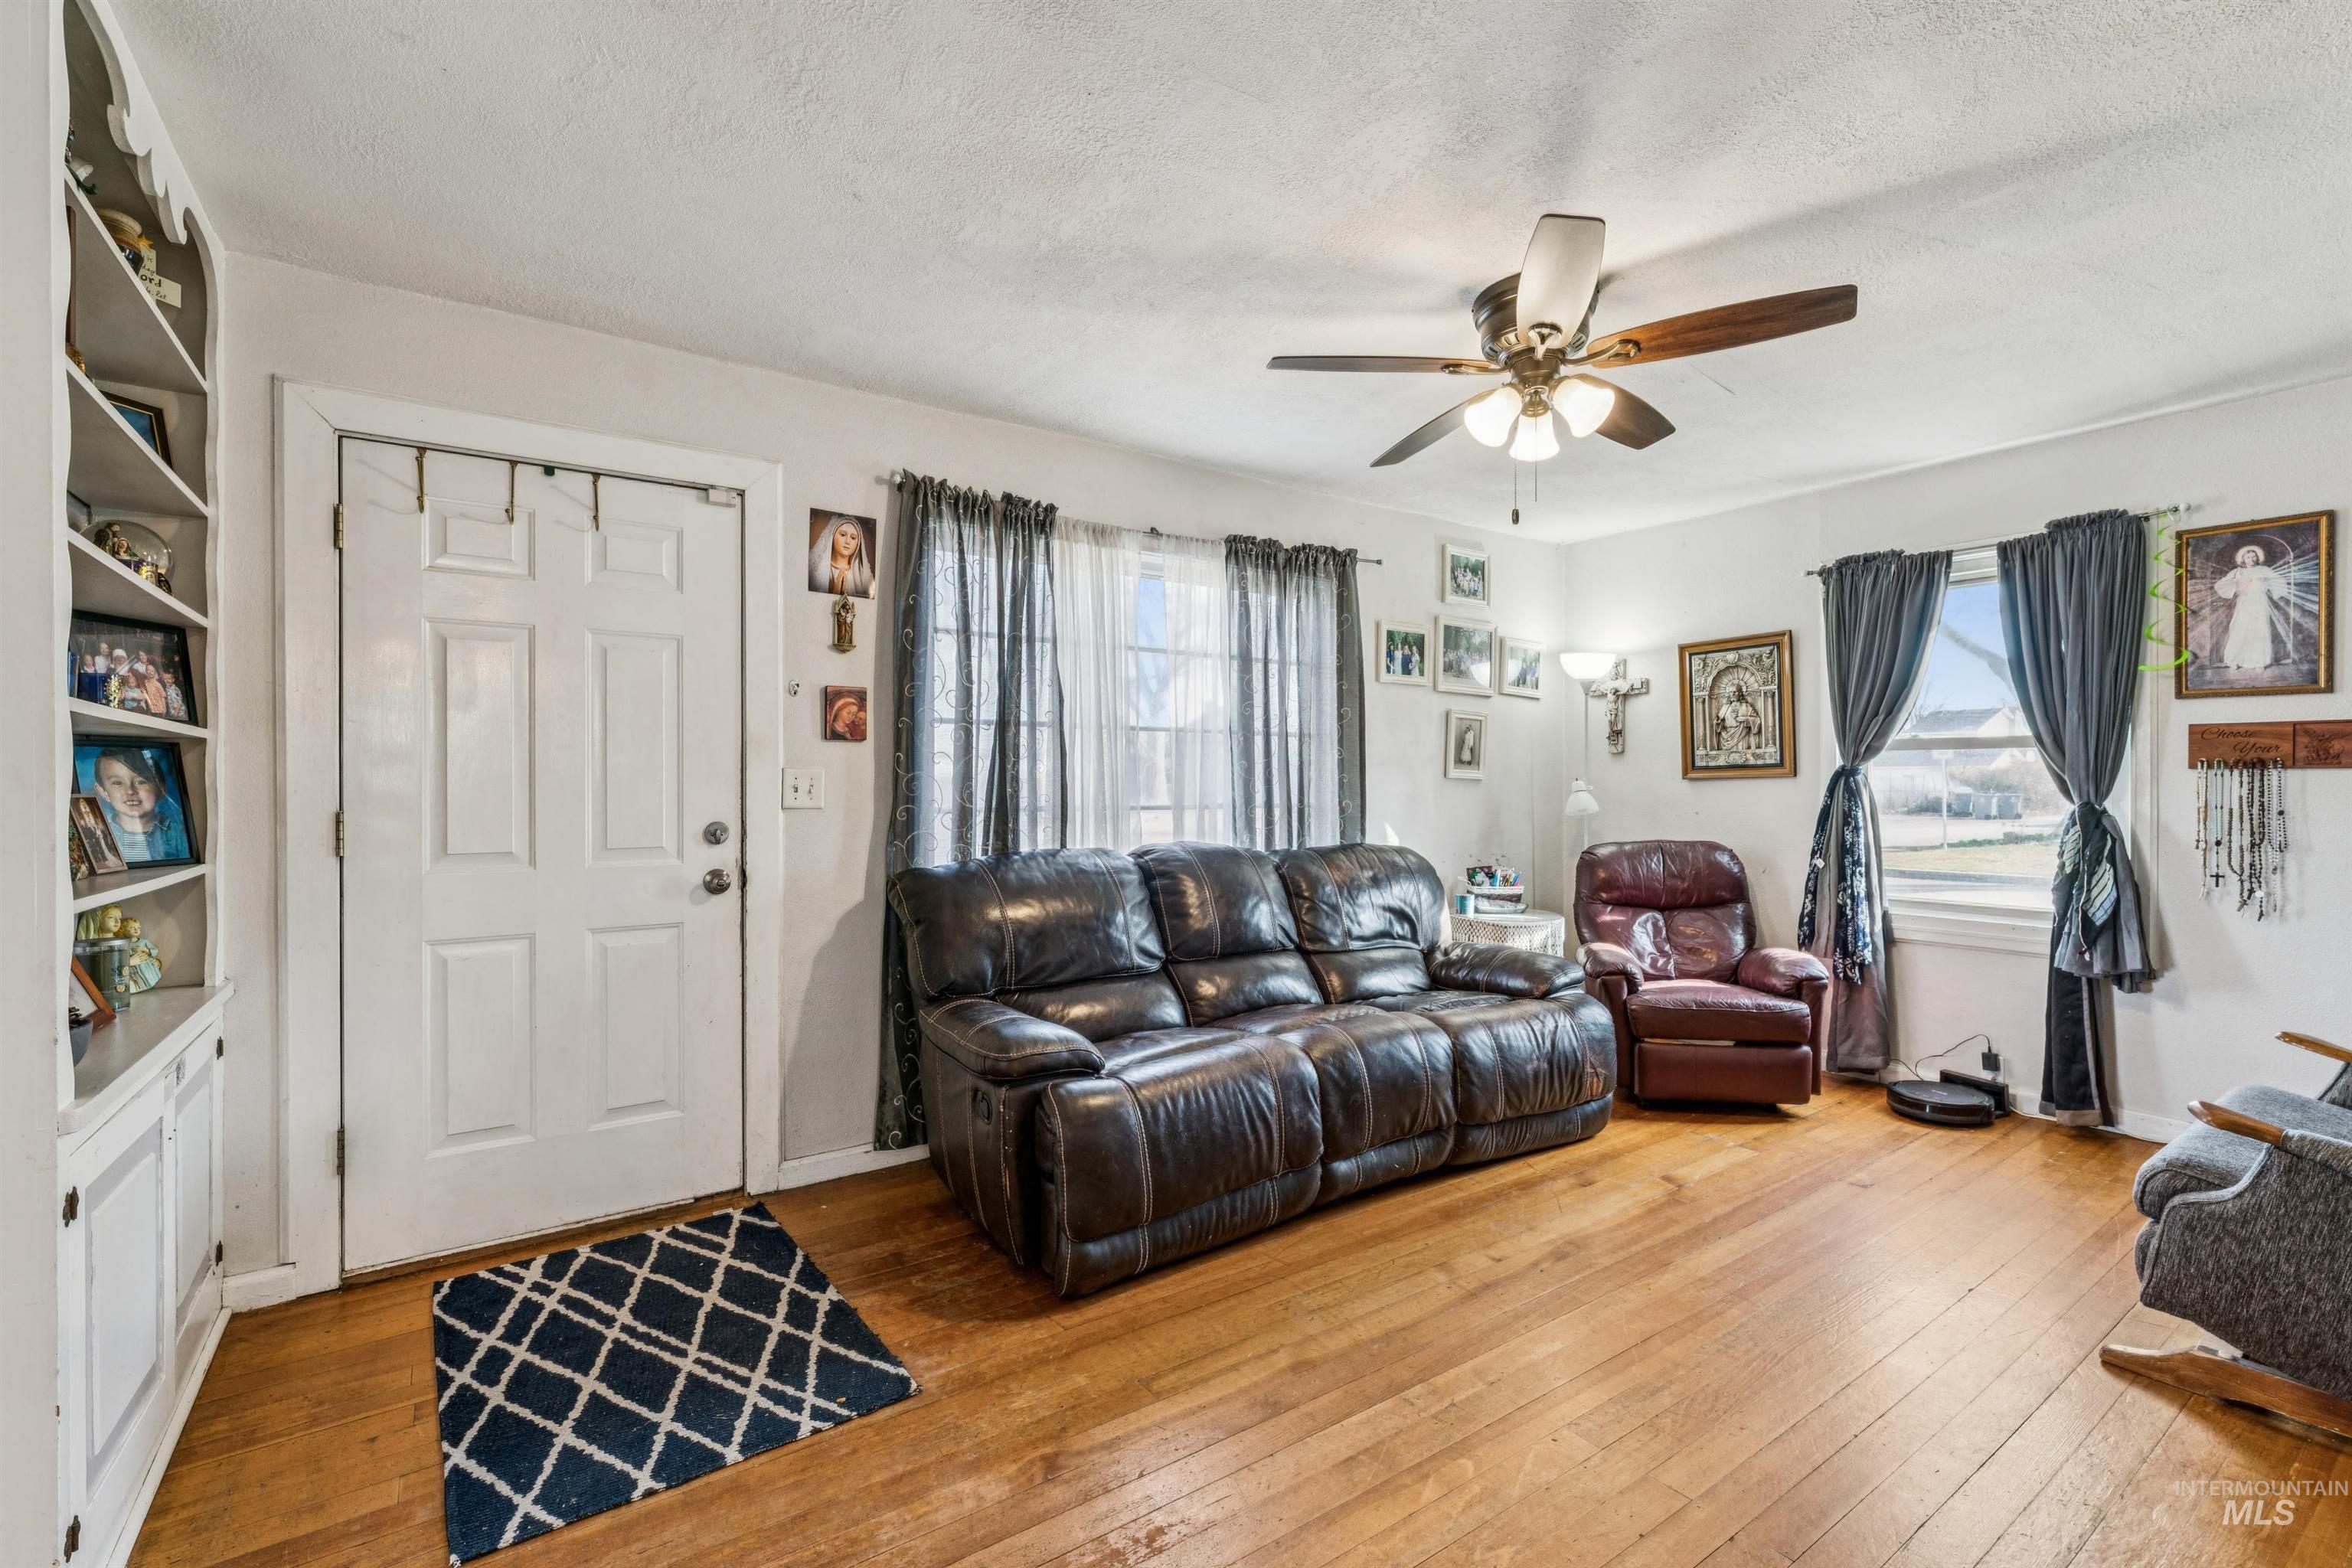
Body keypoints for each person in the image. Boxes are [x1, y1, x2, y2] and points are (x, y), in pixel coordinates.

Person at [89, 746, 191, 863]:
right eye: (117, 783)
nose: (130, 791)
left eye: (140, 782)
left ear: (160, 789)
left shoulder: (181, 835)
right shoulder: (98, 836)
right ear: (103, 792)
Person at [2215, 543, 2287, 670]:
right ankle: (2235, 660)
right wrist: (2239, 584)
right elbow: (2223, 584)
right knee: (2240, 629)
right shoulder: (2238, 572)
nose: (2251, 559)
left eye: (2254, 557)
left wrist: (2265, 584)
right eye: (2248, 557)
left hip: (2260, 602)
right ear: (2243, 559)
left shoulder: (2264, 570)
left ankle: (2259, 662)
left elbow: (2278, 581)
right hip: (2244, 602)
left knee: (2260, 630)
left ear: (2257, 558)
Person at [810, 515, 874, 598]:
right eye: (843, 535)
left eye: (853, 538)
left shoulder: (863, 576)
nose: (848, 542)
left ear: (858, 543)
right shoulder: (816, 571)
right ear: (832, 536)